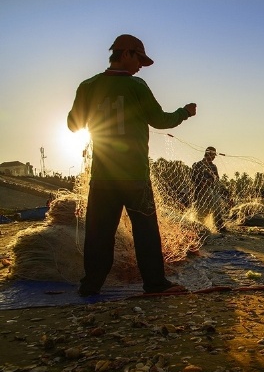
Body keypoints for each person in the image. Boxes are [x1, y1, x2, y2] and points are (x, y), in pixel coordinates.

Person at [67, 34, 197, 296]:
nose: (140, 66)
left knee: (98, 235)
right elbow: (161, 120)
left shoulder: (87, 86)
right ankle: (155, 284)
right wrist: (185, 112)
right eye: (139, 59)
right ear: (125, 53)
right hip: (135, 177)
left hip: (102, 178)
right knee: (146, 233)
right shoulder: (137, 86)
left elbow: (73, 125)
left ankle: (91, 285)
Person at [191, 146, 227, 232]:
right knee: (200, 214)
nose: (214, 157)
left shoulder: (213, 167)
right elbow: (193, 177)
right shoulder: (197, 165)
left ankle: (219, 225)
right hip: (199, 193)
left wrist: (211, 181)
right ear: (208, 154)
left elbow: (217, 178)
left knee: (216, 204)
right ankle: (198, 228)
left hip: (211, 192)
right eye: (213, 155)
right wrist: (203, 182)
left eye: (214, 155)